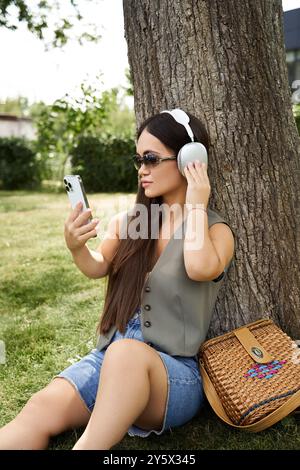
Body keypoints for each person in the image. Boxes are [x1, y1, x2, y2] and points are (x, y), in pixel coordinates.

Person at [0, 108, 235, 450]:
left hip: (172, 375)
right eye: (138, 159)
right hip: (108, 358)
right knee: (39, 410)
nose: (142, 170)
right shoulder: (133, 221)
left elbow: (201, 268)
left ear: (189, 160)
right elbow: (97, 266)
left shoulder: (215, 229)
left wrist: (196, 204)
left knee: (126, 354)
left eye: (152, 159)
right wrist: (76, 247)